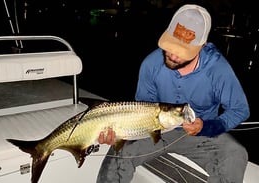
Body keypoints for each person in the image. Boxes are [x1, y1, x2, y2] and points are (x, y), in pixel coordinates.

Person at [96, 4, 250, 183]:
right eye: (170, 46)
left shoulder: (218, 70)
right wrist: (120, 132)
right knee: (117, 154)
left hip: (200, 135)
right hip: (156, 132)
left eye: (182, 51)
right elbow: (143, 110)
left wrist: (207, 127)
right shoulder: (151, 64)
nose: (173, 55)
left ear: (201, 46)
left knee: (236, 153)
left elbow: (240, 110)